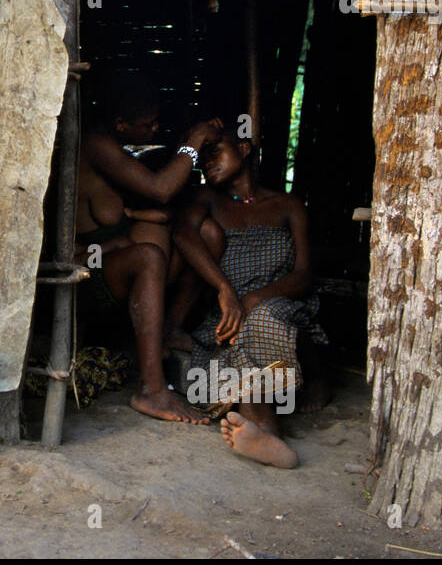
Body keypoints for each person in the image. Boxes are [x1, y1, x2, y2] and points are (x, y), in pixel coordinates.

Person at [173, 128, 326, 468]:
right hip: (230, 316)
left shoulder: (287, 205)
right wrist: (226, 291)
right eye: (203, 157)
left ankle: (311, 382)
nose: (207, 163)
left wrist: (256, 298)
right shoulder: (208, 201)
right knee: (236, 344)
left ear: (243, 148)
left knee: (263, 320)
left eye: (215, 151)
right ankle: (267, 434)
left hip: (282, 308)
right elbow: (184, 233)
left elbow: (303, 275)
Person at [75, 74, 223, 424]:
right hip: (87, 281)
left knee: (207, 232)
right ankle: (153, 391)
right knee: (148, 255)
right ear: (120, 124)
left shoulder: (117, 145)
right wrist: (194, 141)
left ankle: (169, 328)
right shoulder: (95, 144)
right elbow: (161, 189)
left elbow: (157, 201)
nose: (155, 129)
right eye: (147, 124)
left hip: (114, 267)